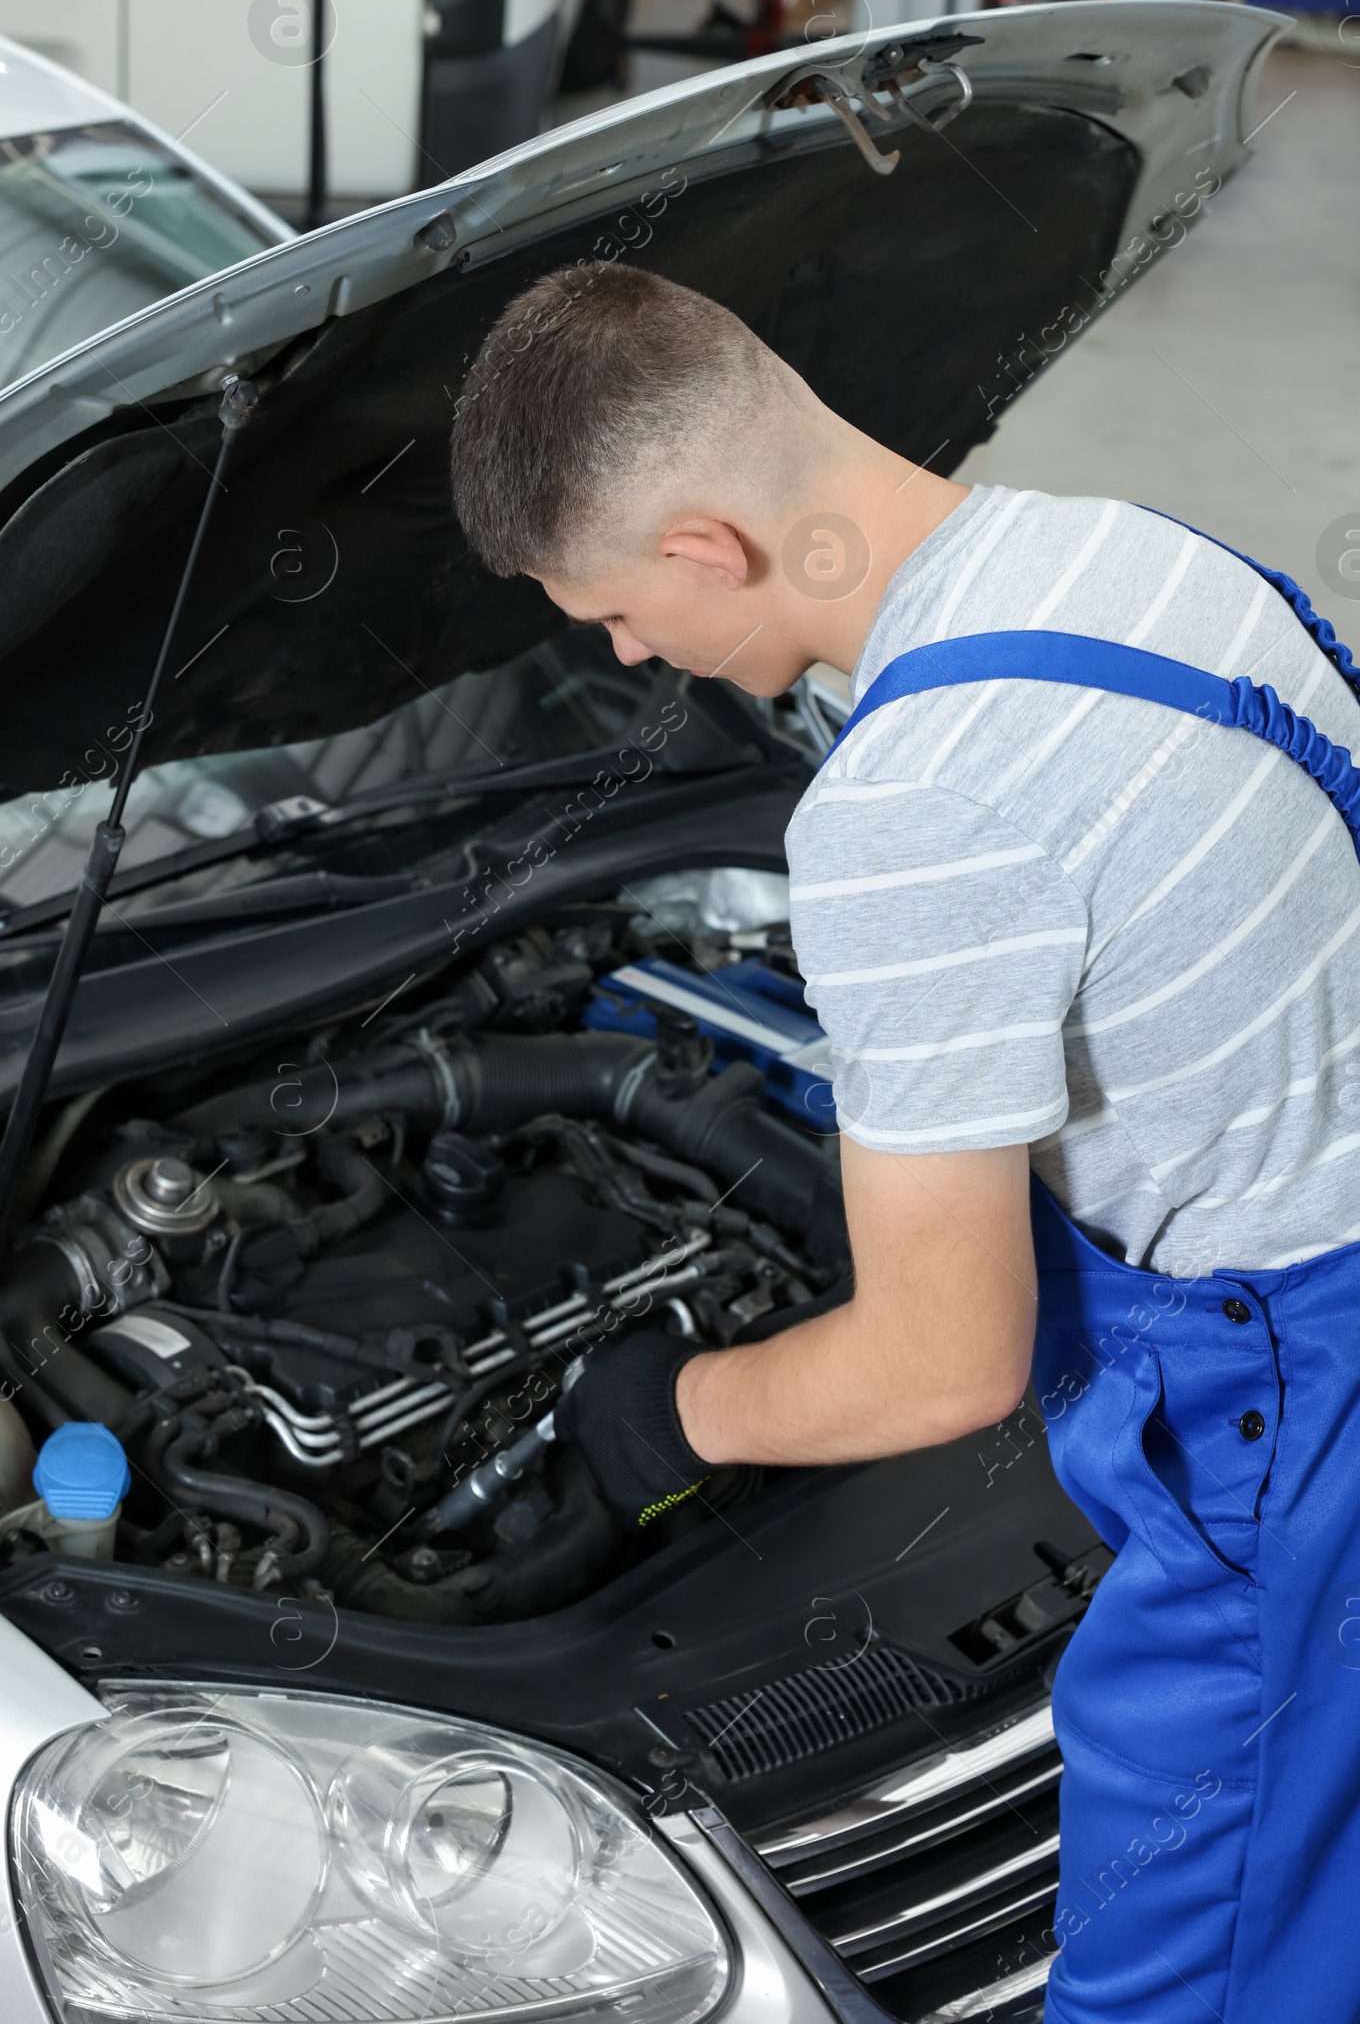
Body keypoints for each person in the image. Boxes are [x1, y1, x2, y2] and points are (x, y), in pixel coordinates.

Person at [448, 260, 1360, 2024]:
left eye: (617, 614)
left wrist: (662, 1409)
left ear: (708, 547)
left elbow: (945, 1365)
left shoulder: (914, 802)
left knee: (1192, 1968)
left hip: (1294, 1420)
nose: (629, 655)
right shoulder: (1140, 550)